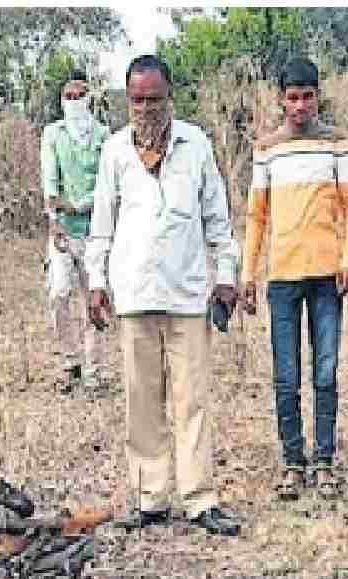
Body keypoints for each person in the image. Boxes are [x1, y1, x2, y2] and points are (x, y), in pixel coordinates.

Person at [86, 55, 242, 536]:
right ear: (127, 100)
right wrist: (96, 281)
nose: (147, 109)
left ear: (170, 97)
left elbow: (217, 218)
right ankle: (150, 497)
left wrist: (227, 272)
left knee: (192, 399)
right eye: (138, 100)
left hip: (189, 291)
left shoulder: (195, 146)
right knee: (141, 400)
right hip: (134, 292)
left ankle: (200, 498)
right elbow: (101, 225)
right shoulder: (114, 151)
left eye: (155, 99)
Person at [240, 57, 348, 500]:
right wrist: (247, 274)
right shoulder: (267, 148)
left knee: (325, 372)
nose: (300, 106)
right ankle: (293, 463)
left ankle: (324, 460)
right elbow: (257, 215)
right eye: (292, 98)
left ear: (317, 97)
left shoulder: (336, 144)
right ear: (281, 99)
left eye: (307, 97)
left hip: (328, 276)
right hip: (283, 277)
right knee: (286, 375)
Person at [42, 70, 111, 394]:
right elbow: (50, 181)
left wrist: (80, 206)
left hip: (95, 230)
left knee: (93, 300)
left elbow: (107, 185)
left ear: (89, 99)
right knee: (58, 294)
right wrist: (55, 217)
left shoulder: (103, 136)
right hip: (63, 230)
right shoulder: (53, 134)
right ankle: (71, 362)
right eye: (67, 97)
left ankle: (94, 371)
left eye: (78, 96)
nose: (72, 102)